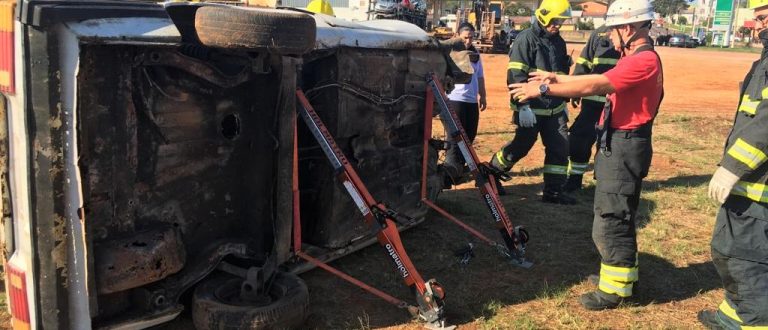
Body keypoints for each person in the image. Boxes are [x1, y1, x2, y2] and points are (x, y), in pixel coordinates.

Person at [508, 0, 663, 310]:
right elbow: (587, 80)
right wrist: (555, 78)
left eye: (613, 33)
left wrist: (544, 90)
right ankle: (619, 277)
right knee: (614, 211)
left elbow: (597, 83)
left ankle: (614, 292)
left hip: (625, 144)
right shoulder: (636, 58)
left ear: (628, 28)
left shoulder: (641, 61)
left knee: (612, 216)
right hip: (620, 142)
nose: (610, 39)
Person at [697, 0, 768, 328]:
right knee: (739, 256)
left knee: (744, 259)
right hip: (753, 185)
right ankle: (732, 318)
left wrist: (733, 166)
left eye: (764, 17)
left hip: (758, 189)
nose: (757, 25)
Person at [487, 0, 575, 204]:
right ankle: (490, 174)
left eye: (562, 21)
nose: (558, 24)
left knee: (560, 149)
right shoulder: (526, 39)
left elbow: (561, 75)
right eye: (555, 20)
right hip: (531, 108)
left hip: (555, 108)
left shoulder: (559, 42)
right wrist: (523, 106)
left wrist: (563, 101)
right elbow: (516, 75)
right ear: (544, 15)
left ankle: (554, 192)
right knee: (521, 146)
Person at [565, 26, 621, 192]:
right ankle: (574, 180)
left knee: (610, 145)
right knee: (578, 140)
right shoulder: (599, 34)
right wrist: (576, 90)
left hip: (617, 105)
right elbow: (584, 62)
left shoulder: (633, 36)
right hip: (592, 104)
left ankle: (604, 183)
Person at [442, 22, 488, 186]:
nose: (468, 41)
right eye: (465, 38)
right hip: (455, 100)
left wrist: (482, 95)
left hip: (470, 101)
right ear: (457, 36)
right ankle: (448, 173)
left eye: (471, 37)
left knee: (470, 135)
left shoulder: (475, 53)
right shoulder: (451, 52)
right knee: (455, 138)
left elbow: (480, 76)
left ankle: (459, 168)